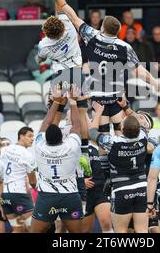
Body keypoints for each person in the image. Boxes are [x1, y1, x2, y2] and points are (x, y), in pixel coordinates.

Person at [44, 0, 159, 135]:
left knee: (102, 138)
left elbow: (72, 15)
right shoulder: (125, 47)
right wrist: (154, 82)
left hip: (98, 97)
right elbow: (139, 71)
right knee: (120, 135)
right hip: (117, 97)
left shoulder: (93, 35)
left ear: (103, 28)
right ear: (117, 32)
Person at [31, 87, 83, 233]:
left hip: (47, 197)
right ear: (62, 137)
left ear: (46, 137)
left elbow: (45, 124)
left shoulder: (40, 147)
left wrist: (56, 101)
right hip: (70, 196)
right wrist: (73, 102)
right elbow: (76, 126)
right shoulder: (71, 146)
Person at [90, 115, 152, 233]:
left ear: (122, 128)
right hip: (141, 187)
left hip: (121, 189)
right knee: (142, 230)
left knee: (120, 231)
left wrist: (99, 112)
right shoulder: (143, 137)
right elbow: (143, 126)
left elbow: (92, 132)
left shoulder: (113, 142)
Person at [0, 127, 37, 232]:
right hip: (18, 194)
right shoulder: (28, 155)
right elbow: (32, 181)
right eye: (30, 136)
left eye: (33, 136)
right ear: (21, 136)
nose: (32, 139)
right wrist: (35, 187)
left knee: (17, 229)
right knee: (33, 228)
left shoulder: (4, 149)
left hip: (4, 195)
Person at [82, 104, 113, 233]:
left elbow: (92, 130)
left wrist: (98, 112)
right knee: (85, 230)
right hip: (84, 192)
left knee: (106, 223)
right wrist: (81, 181)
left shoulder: (94, 144)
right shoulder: (73, 143)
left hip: (100, 189)